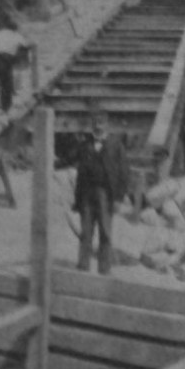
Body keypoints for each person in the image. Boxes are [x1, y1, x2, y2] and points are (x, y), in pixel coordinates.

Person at [71, 108, 131, 275]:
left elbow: (124, 173)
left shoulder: (116, 146)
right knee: (86, 231)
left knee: (105, 232)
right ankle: (83, 267)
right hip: (87, 194)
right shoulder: (84, 145)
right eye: (95, 123)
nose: (98, 127)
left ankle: (104, 269)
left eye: (101, 123)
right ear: (91, 125)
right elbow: (78, 171)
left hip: (106, 194)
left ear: (107, 125)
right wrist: (77, 199)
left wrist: (119, 198)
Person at [0, 17, 29, 114]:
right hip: (5, 59)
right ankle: (6, 107)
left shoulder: (0, 33)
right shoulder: (17, 36)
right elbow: (25, 45)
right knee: (6, 84)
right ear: (15, 28)